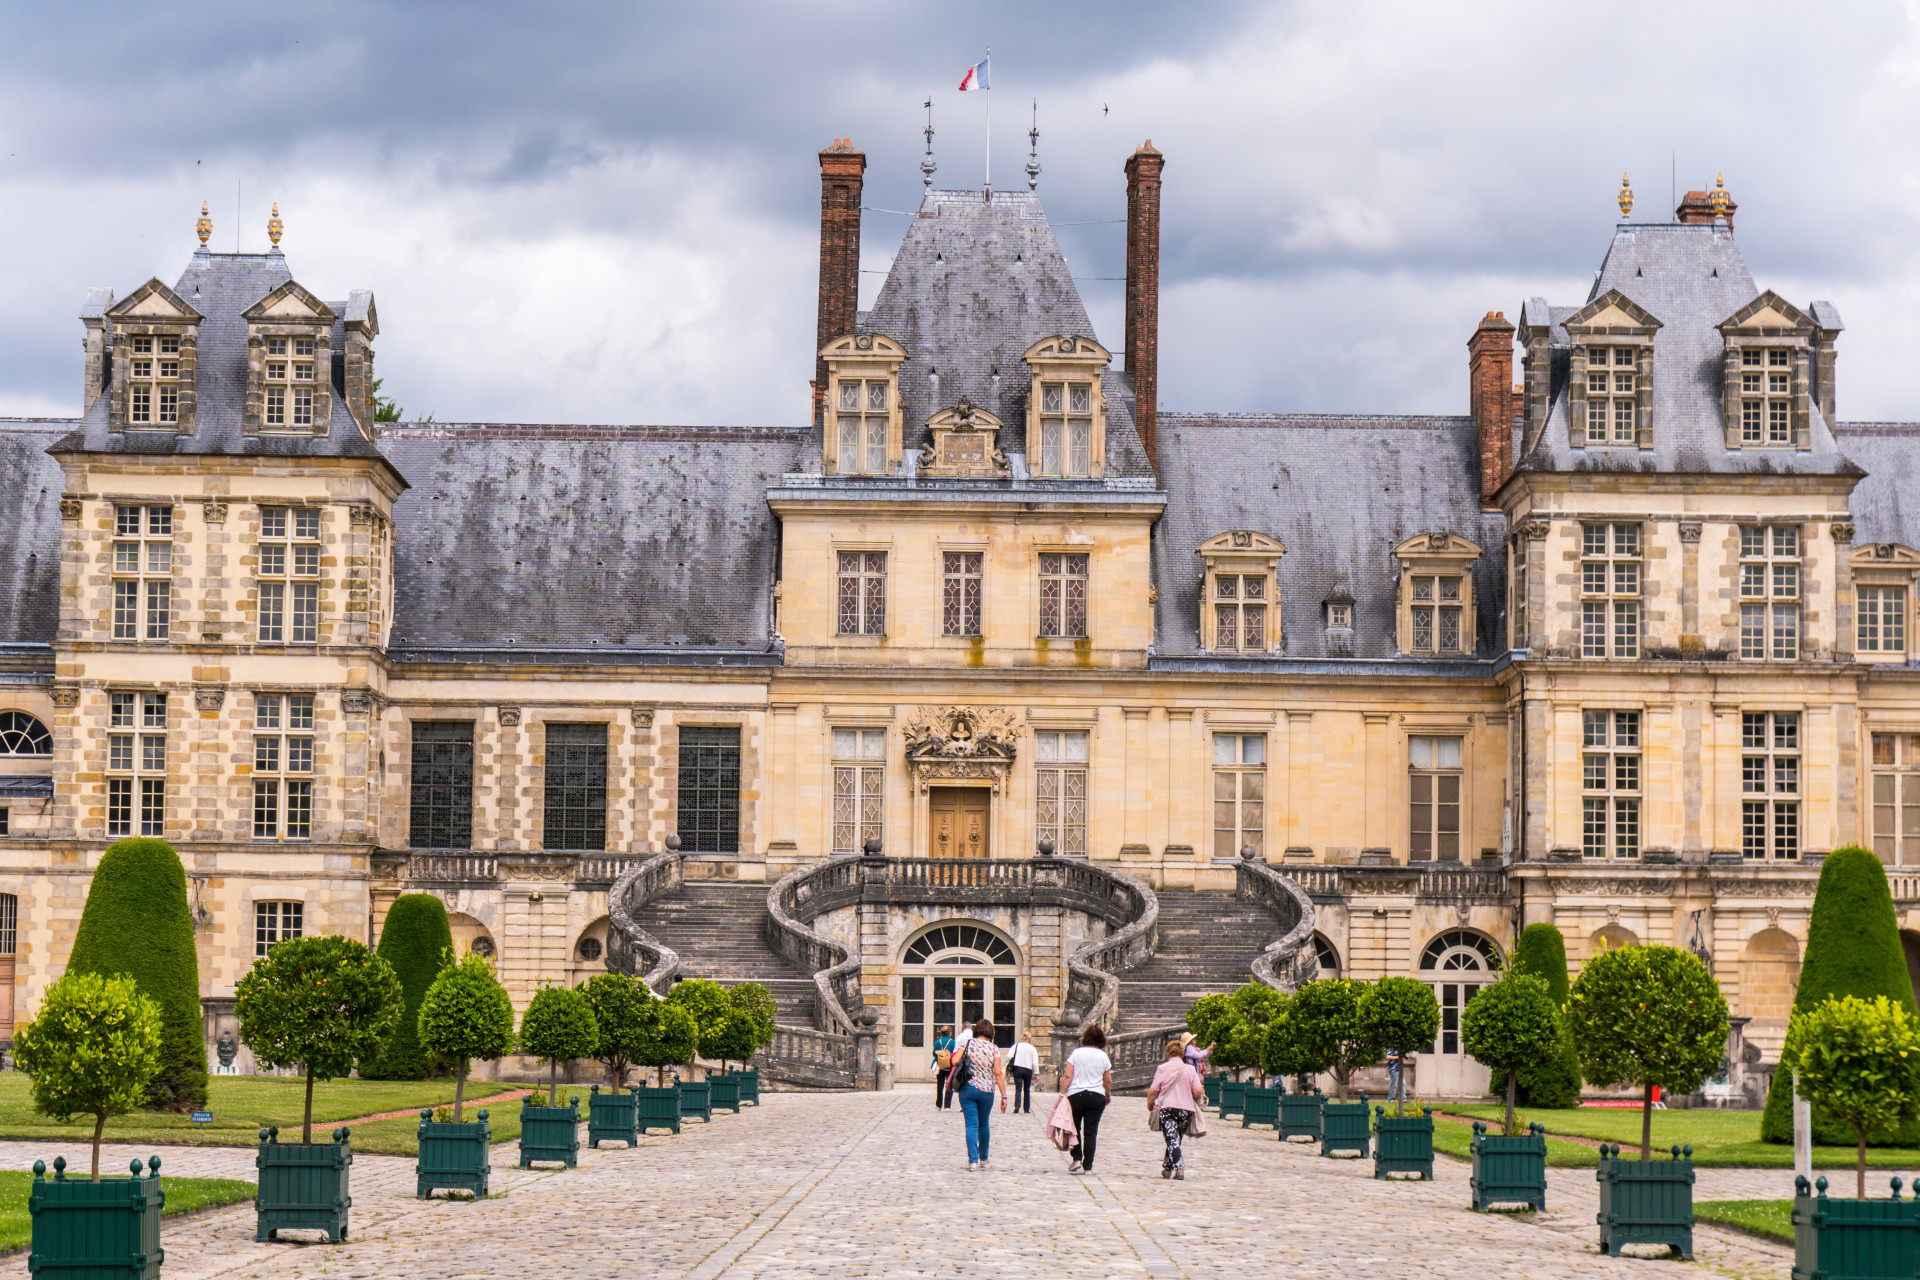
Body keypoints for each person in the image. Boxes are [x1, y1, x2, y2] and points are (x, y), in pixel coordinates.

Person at [1057, 1024, 1112, 1174]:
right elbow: (1108, 1080)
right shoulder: (1103, 1056)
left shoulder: (1077, 1053)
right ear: (1101, 1039)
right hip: (1096, 1095)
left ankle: (1076, 1158)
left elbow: (1068, 1076)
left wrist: (1062, 1094)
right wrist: (1107, 1095)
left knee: (1074, 1129)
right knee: (1091, 1132)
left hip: (1076, 1095)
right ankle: (1088, 1166)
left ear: (1085, 1038)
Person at [1148, 1037, 1206, 1179]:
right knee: (1175, 1138)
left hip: (1168, 1108)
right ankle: (1167, 1168)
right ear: (1182, 1054)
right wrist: (1187, 1094)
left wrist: (1150, 1103)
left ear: (1168, 1054)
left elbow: (1153, 1091)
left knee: (1172, 1139)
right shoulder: (1190, 1069)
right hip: (1186, 1110)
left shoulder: (1162, 1068)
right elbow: (1198, 1091)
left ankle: (1179, 1168)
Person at [954, 1018, 1007, 1170]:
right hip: (986, 1091)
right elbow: (998, 1073)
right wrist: (1004, 1096)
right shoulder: (994, 1048)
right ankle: (983, 1157)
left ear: (976, 1030)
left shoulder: (968, 1043)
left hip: (968, 1088)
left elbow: (955, 1061)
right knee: (983, 1123)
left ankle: (973, 1161)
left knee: (971, 1124)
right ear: (991, 1032)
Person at [1007, 1033, 1039, 1113]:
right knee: (1027, 1089)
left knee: (1018, 1088)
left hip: (1018, 1068)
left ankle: (1017, 1106)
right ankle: (1026, 1108)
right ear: (1029, 1039)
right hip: (1028, 1069)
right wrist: (1037, 1073)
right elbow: (1035, 1062)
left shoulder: (1016, 1045)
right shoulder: (1032, 1048)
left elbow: (1009, 1056)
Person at [932, 1025, 957, 1109]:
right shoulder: (953, 1042)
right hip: (949, 1066)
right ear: (950, 1033)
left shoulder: (937, 1042)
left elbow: (934, 1054)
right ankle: (947, 1105)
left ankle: (938, 1104)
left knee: (940, 1085)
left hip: (940, 1065)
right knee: (949, 1085)